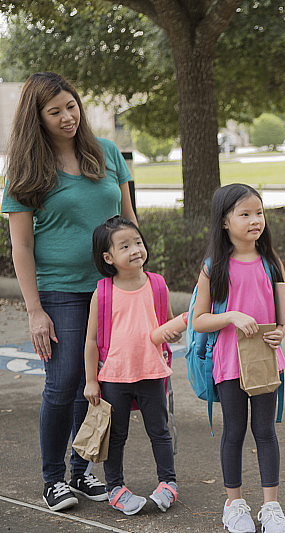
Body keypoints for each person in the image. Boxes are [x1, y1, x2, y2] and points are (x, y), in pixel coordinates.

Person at [1, 72, 137, 511]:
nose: (67, 117)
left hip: (109, 288)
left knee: (93, 385)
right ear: (37, 117)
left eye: (71, 106)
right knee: (63, 383)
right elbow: (20, 245)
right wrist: (35, 311)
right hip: (59, 290)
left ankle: (80, 472)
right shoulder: (26, 170)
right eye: (54, 110)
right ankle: (52, 478)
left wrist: (137, 280)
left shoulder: (108, 154)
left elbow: (128, 221)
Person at [192, 184, 285, 533]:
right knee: (234, 431)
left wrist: (282, 332)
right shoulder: (213, 268)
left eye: (259, 213)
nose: (254, 221)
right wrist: (232, 316)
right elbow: (199, 320)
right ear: (224, 222)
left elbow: (284, 315)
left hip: (265, 361)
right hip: (228, 364)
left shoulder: (271, 263)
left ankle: (271, 506)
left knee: (265, 430)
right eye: (244, 214)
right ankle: (234, 504)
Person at [83, 216, 182, 515]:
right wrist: (91, 380)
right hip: (114, 376)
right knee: (116, 435)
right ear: (108, 257)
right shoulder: (103, 292)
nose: (135, 249)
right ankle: (115, 488)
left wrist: (174, 332)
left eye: (138, 242)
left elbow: (166, 325)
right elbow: (90, 341)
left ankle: (169, 483)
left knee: (159, 431)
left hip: (151, 372)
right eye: (125, 246)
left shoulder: (157, 284)